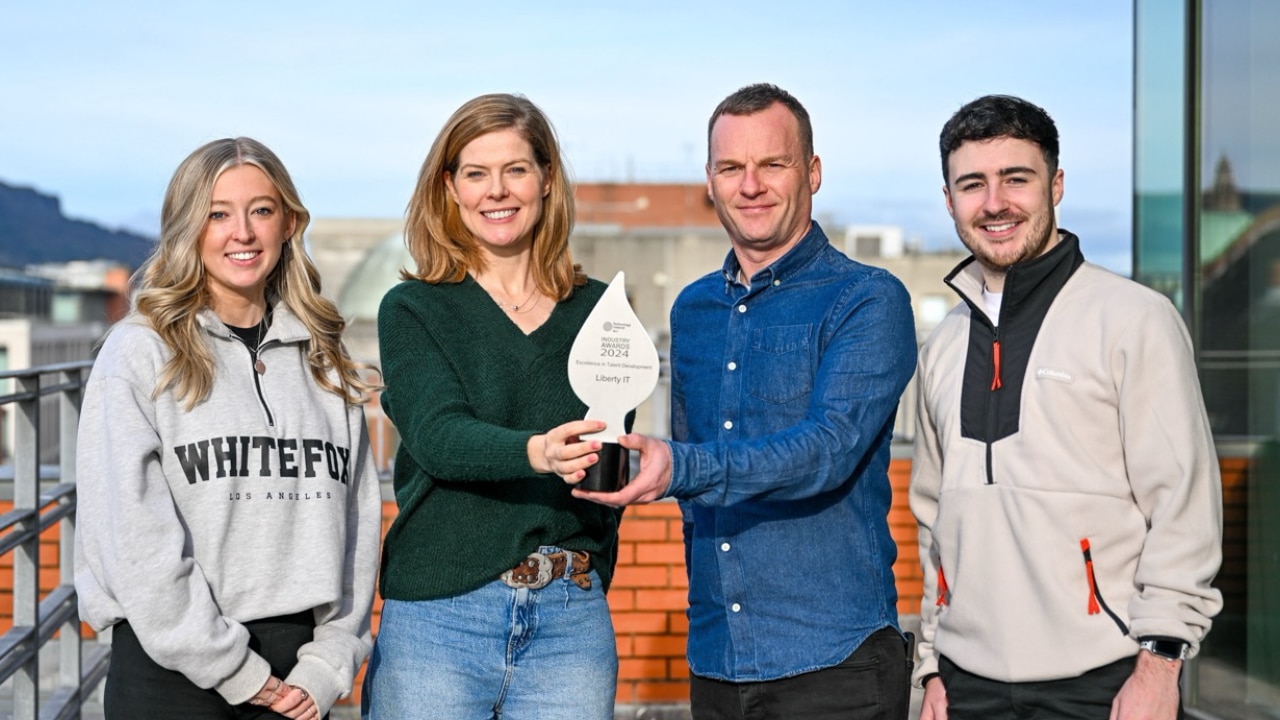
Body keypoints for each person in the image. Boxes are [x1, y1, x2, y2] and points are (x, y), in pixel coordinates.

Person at [572, 83, 918, 720]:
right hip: (716, 659)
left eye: (773, 164)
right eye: (731, 167)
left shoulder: (868, 299)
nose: (750, 185)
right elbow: (692, 500)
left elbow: (827, 451)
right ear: (710, 180)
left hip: (835, 664)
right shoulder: (693, 311)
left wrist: (682, 468)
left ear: (811, 172)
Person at [910, 94, 1224, 720]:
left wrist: (1160, 665)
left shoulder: (1135, 319)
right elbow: (932, 523)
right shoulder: (942, 344)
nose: (994, 202)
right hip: (967, 685)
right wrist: (931, 666)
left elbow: (1182, 505)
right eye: (971, 184)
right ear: (949, 201)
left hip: (1104, 682)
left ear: (1055, 184)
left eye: (1015, 179)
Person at [74, 137, 383, 720]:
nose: (241, 232)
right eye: (218, 214)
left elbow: (357, 526)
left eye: (260, 211)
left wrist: (330, 662)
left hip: (296, 683)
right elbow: (133, 539)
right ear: (188, 228)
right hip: (169, 671)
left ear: (288, 222)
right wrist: (234, 669)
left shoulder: (324, 361)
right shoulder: (139, 353)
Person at [361, 93, 621, 720]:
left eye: (516, 170)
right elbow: (436, 435)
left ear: (547, 178)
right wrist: (538, 452)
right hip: (440, 618)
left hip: (570, 619)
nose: (496, 191)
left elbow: (606, 461)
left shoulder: (598, 313)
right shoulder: (414, 308)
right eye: (476, 173)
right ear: (450, 188)